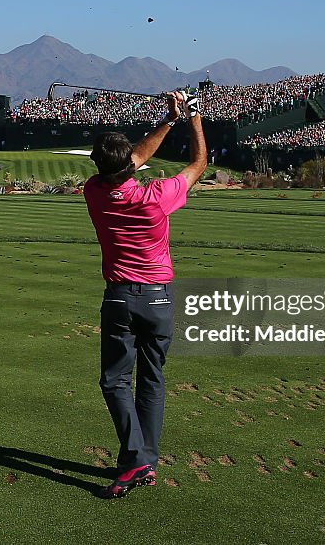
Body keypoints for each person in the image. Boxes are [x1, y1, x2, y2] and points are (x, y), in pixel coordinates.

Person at [83, 90, 207, 499]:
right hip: (158, 300)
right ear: (131, 166)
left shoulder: (95, 191)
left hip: (119, 299)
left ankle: (135, 457)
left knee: (114, 380)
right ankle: (145, 462)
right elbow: (197, 164)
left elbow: (130, 160)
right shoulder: (157, 197)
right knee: (151, 380)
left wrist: (168, 119)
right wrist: (190, 118)